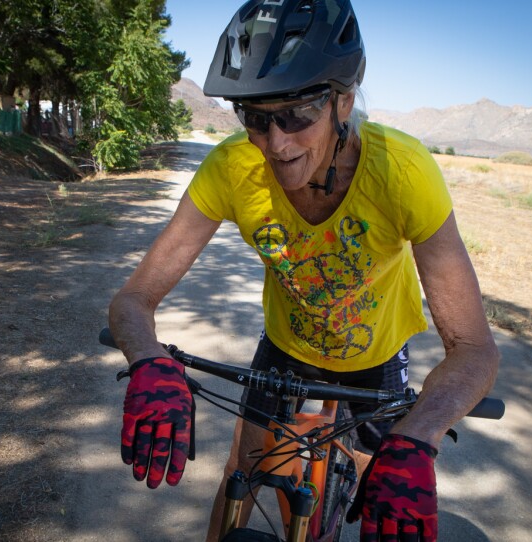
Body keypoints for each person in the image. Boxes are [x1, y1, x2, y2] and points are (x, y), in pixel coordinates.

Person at [107, 1, 500, 540]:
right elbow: (134, 299)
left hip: (376, 356)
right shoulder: (230, 169)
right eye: (256, 118)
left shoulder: (405, 174)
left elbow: (474, 348)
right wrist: (149, 360)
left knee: (376, 492)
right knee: (241, 475)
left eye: (296, 115)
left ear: (343, 100)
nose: (276, 144)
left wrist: (419, 437)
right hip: (286, 346)